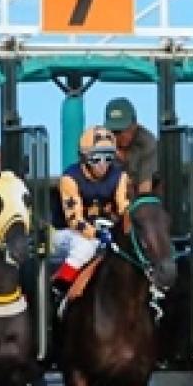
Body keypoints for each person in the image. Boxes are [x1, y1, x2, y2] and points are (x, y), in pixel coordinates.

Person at [51, 126, 131, 310]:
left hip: (104, 231)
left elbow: (123, 207)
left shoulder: (120, 176)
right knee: (86, 246)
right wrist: (98, 234)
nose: (103, 164)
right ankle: (58, 287)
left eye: (108, 157)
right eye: (96, 158)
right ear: (84, 158)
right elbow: (75, 221)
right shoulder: (70, 179)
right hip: (66, 233)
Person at [104, 97, 159, 194]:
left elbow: (144, 189)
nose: (121, 135)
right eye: (115, 131)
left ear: (135, 125)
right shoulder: (101, 142)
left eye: (125, 129)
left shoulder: (147, 143)